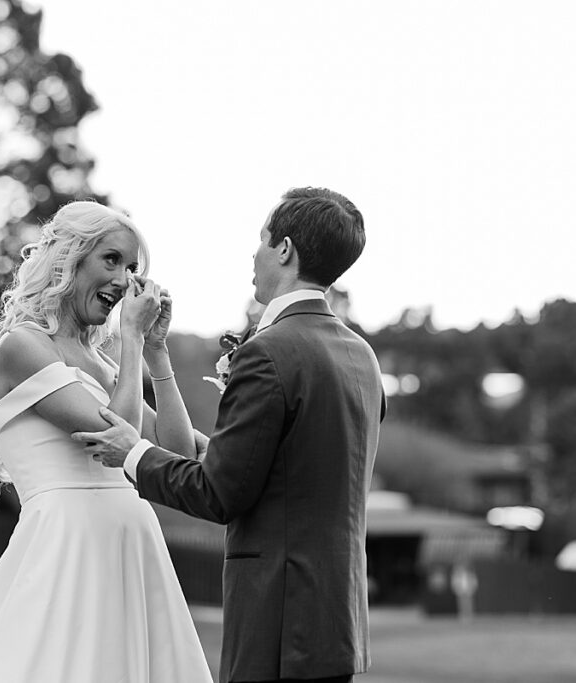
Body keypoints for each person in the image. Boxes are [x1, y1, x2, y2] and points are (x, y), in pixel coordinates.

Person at [73, 187, 386, 683]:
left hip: (277, 621)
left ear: (284, 249)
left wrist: (132, 453)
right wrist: (198, 431)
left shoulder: (270, 352)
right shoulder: (361, 357)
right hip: (336, 622)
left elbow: (219, 494)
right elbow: (290, 468)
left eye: (262, 239)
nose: (254, 253)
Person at [0, 201, 213, 683]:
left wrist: (157, 354)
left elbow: (181, 452)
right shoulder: (23, 347)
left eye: (132, 268)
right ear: (69, 259)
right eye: (111, 260)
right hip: (68, 547)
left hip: (132, 549)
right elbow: (113, 439)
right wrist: (132, 342)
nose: (123, 280)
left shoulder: (102, 366)